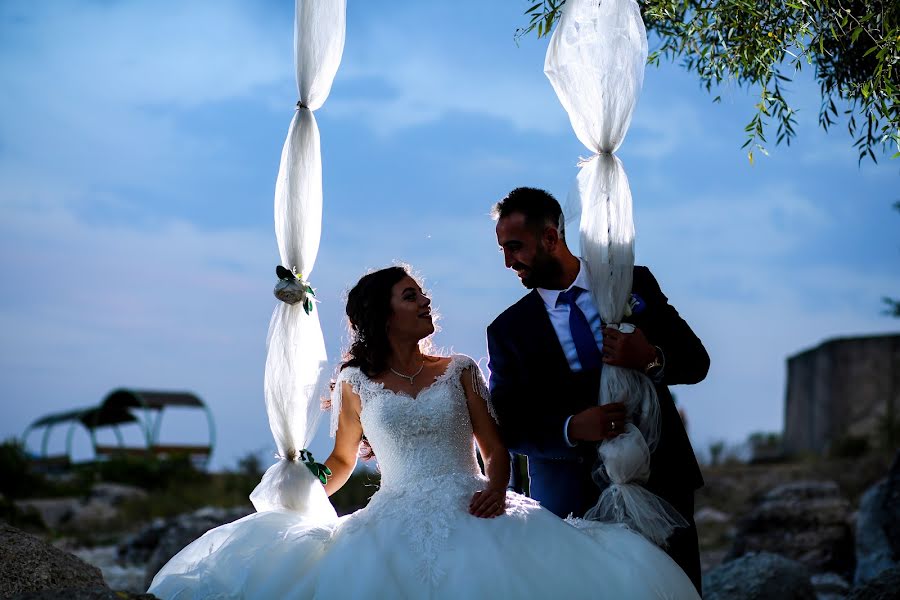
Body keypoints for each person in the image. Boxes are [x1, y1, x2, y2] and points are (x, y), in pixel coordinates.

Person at [149, 265, 700, 599]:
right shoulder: (355, 383)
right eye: (410, 295)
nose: (424, 300)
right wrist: (307, 480)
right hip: (393, 514)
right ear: (383, 314)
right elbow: (342, 461)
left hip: (475, 507)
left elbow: (495, 446)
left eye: (421, 293)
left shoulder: (459, 368)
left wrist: (494, 486)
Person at [487, 187, 710, 594]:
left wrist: (650, 358)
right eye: (502, 249)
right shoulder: (507, 332)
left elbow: (697, 362)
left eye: (515, 247)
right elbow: (510, 425)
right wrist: (572, 428)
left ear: (551, 238)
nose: (507, 261)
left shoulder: (632, 282)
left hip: (660, 483)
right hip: (572, 501)